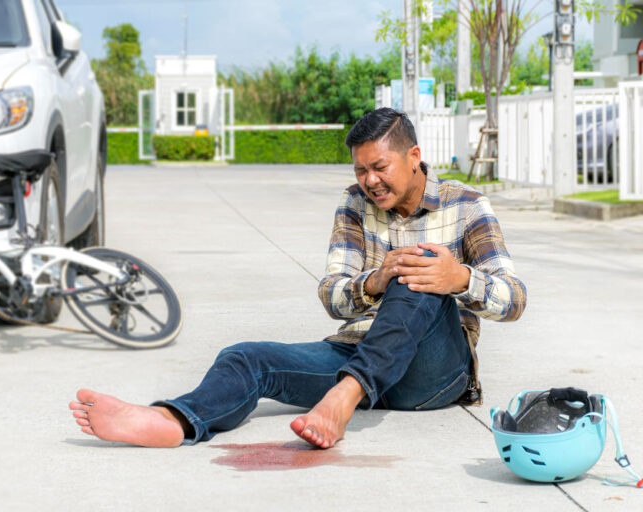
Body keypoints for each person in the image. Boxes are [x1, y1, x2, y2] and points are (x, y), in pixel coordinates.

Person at [68, 108, 527, 449]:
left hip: (433, 374)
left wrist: (459, 277)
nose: (369, 180)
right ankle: (174, 420)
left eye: (379, 167)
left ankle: (344, 398)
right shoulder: (353, 205)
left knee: (420, 268)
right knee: (245, 357)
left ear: (413, 157)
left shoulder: (467, 205)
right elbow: (332, 293)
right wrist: (374, 282)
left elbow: (514, 298)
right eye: (361, 169)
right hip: (357, 354)